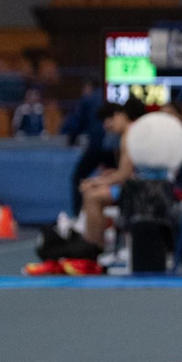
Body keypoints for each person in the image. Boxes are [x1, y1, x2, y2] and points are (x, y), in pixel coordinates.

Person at [74, 101, 135, 246]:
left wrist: (96, 181)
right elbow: (127, 171)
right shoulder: (128, 134)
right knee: (92, 190)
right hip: (135, 184)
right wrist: (108, 176)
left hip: (137, 189)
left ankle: (93, 248)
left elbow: (124, 176)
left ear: (119, 115)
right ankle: (92, 243)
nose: (106, 126)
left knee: (92, 197)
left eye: (109, 120)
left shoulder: (129, 135)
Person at [61, 79, 105, 148]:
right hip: (109, 140)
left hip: (97, 140)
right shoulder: (106, 96)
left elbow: (77, 122)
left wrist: (71, 139)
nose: (82, 92)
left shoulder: (87, 100)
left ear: (88, 87)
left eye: (83, 88)